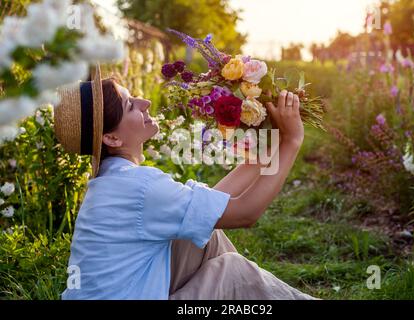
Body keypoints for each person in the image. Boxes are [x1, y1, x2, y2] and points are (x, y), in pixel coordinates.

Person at [56, 65, 316, 300]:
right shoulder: (140, 188)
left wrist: (268, 148)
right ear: (112, 139)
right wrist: (291, 141)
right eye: (130, 105)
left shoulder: (116, 180)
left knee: (202, 235)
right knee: (235, 271)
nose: (144, 102)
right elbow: (246, 213)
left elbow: (205, 206)